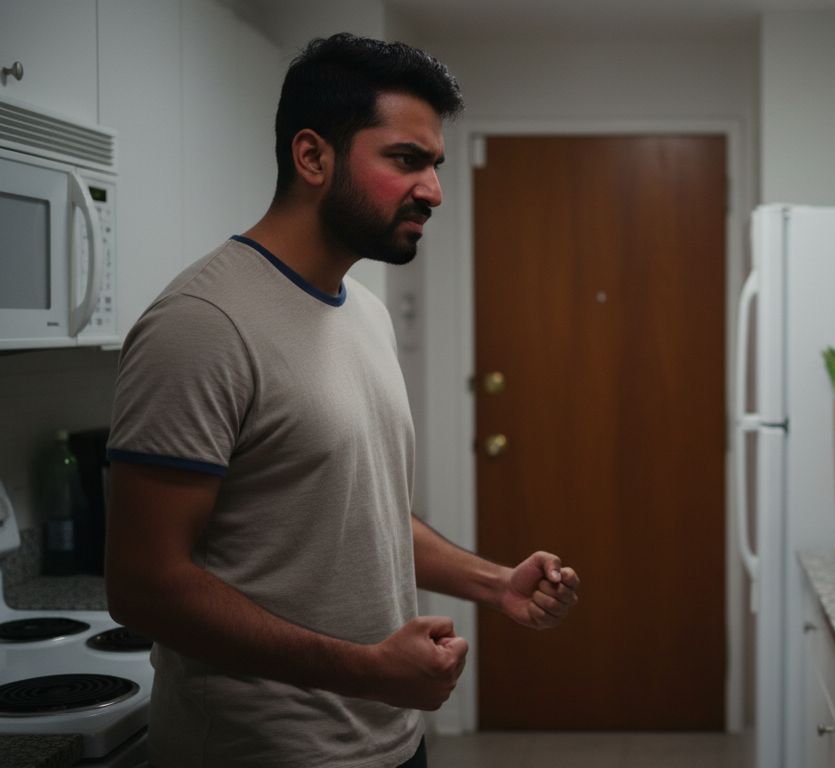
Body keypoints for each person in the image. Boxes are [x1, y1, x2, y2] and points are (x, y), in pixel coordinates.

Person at [104, 34, 581, 768]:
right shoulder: (202, 324)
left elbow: (361, 509)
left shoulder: (362, 309)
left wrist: (496, 584)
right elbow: (143, 587)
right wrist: (369, 670)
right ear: (312, 157)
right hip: (261, 752)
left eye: (436, 164)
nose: (434, 190)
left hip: (389, 738)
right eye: (405, 159)